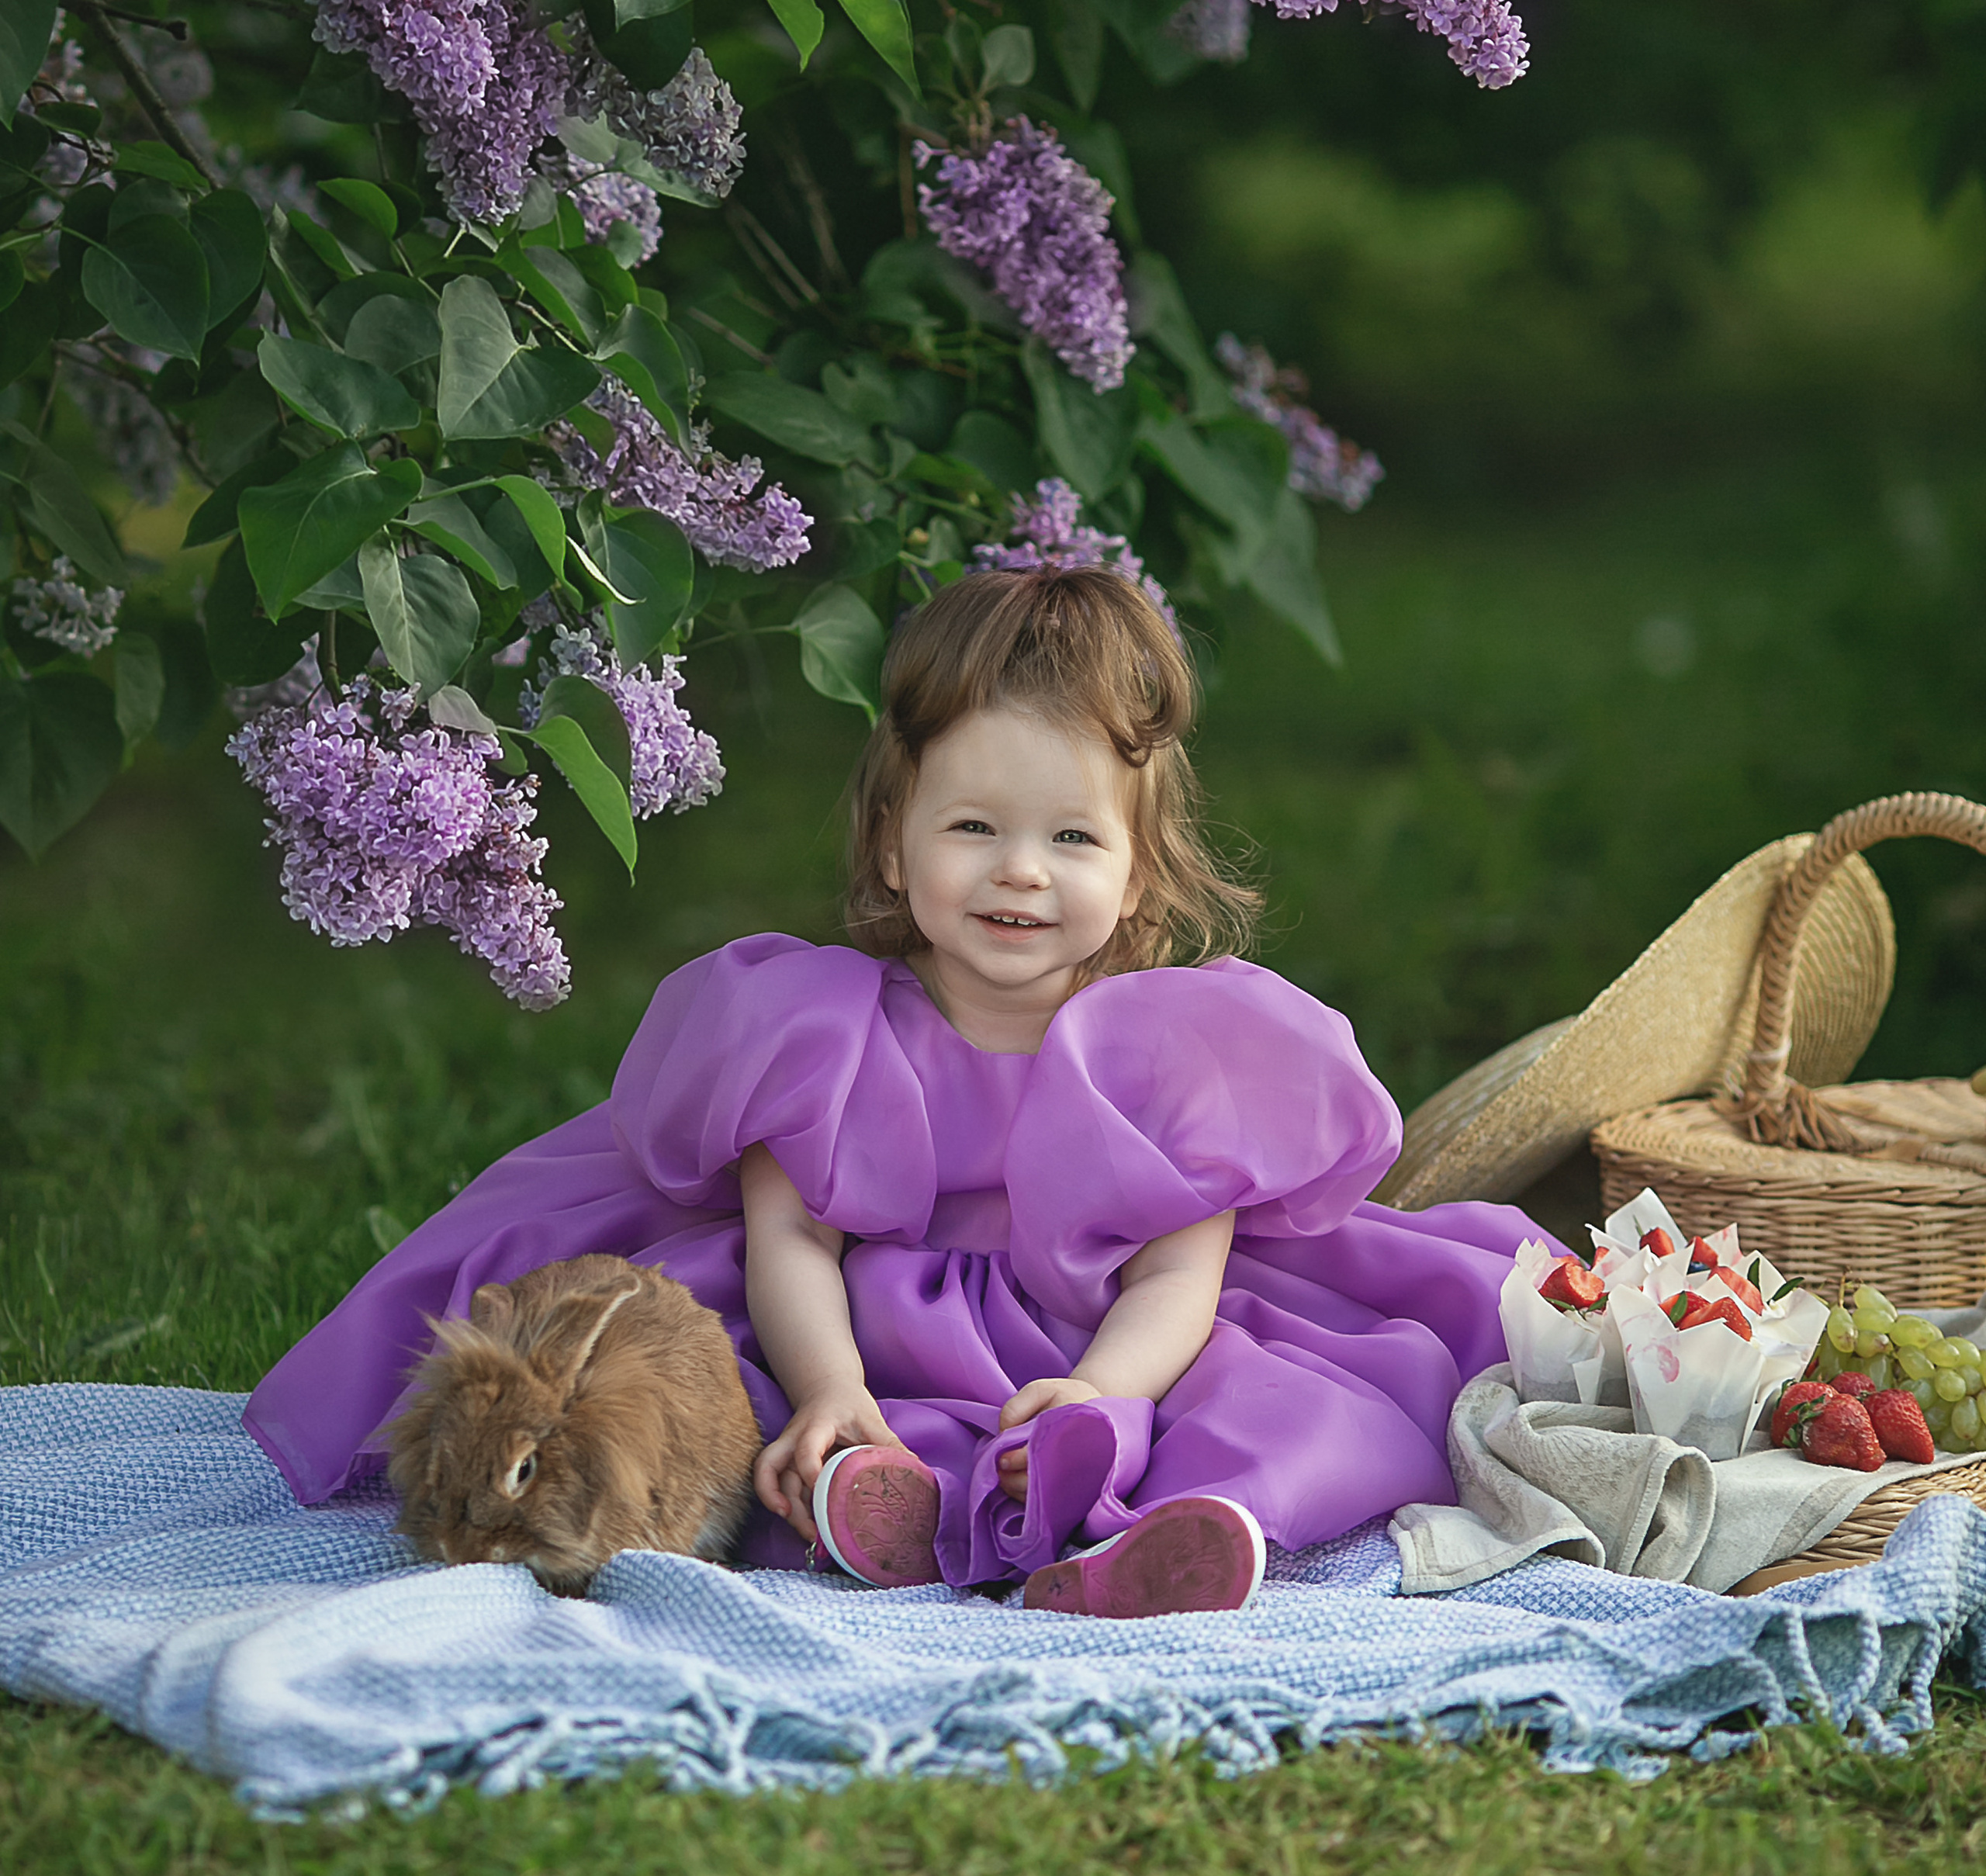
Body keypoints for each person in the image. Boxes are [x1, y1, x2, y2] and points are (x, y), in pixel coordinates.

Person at [246, 563, 1546, 1614]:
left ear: (1140, 872)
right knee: (714, 1391)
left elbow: (1178, 1277)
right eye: (973, 827)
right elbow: (791, 1241)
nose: (1020, 870)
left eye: (1073, 837)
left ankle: (1177, 1531)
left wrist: (1107, 1388)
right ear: (891, 840)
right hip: (868, 1336)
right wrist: (829, 1384)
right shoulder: (822, 1033)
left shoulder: (1177, 1053)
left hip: (1111, 1343)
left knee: (1263, 1390)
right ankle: (867, 1501)